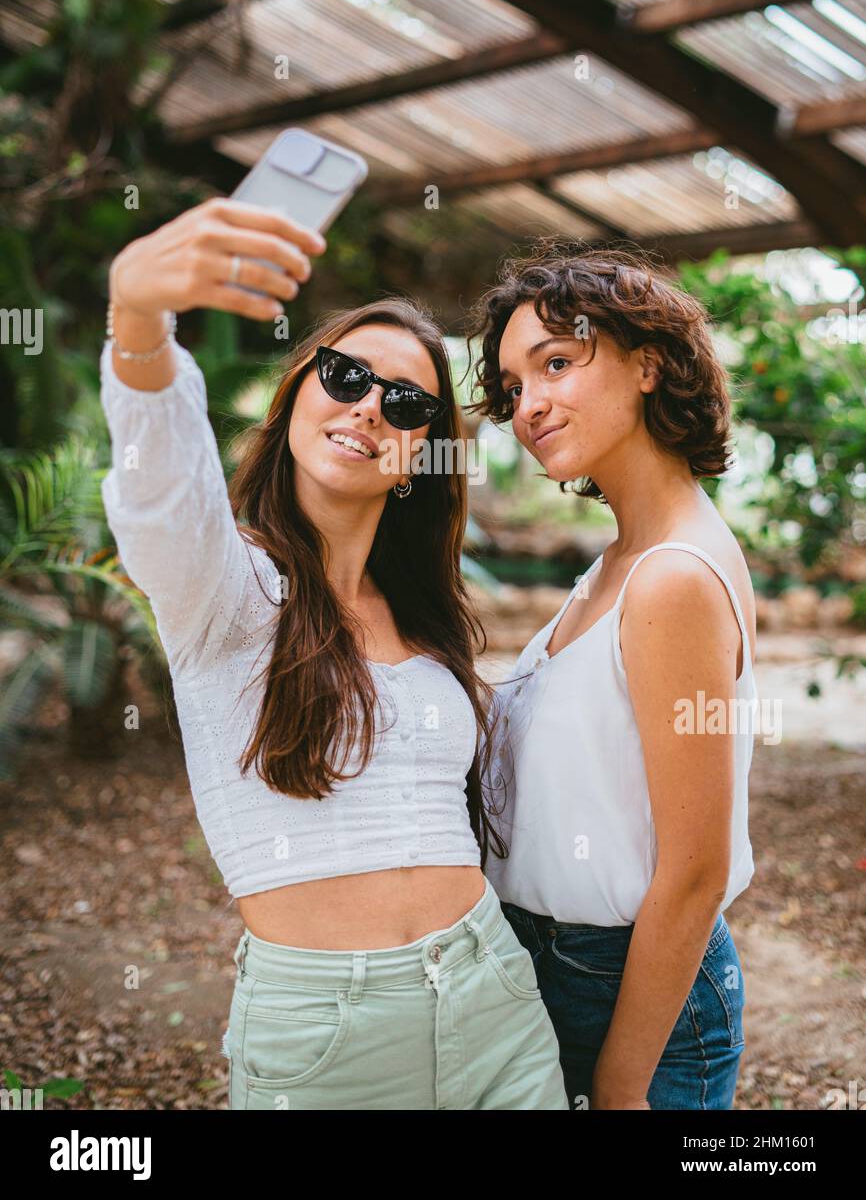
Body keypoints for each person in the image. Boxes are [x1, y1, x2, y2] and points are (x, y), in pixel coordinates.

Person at [99, 196, 569, 1110]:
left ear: (420, 457)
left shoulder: (426, 620)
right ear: (297, 390)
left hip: (497, 1003)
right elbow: (162, 492)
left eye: (403, 402)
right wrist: (139, 321)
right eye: (346, 375)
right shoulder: (224, 588)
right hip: (325, 1036)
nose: (367, 408)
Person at [466, 240, 756, 1110]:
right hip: (554, 966)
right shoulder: (617, 565)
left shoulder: (671, 578)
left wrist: (623, 1088)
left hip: (626, 987)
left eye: (557, 362)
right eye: (515, 386)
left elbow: (696, 871)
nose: (529, 405)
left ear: (649, 365)